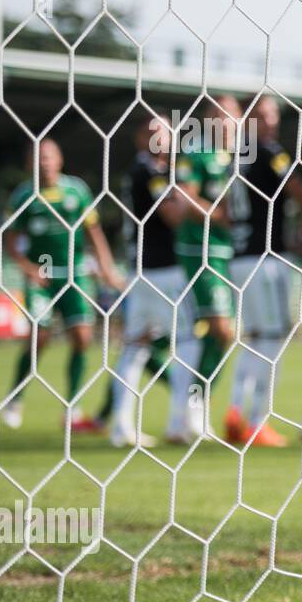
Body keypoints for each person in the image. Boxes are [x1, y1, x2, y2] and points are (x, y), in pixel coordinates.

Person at [0, 139, 123, 433]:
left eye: (49, 156)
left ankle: (72, 405)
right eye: (39, 157)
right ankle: (15, 398)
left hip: (75, 274)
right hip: (42, 276)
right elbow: (10, 239)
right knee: (39, 337)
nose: (45, 162)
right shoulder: (23, 197)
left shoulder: (76, 190)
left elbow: (93, 231)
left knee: (81, 337)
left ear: (60, 160)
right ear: (30, 163)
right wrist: (28, 268)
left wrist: (106, 269)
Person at [224, 94, 302, 447]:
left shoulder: (234, 155)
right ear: (247, 120)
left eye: (274, 114)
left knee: (257, 336)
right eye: (262, 114)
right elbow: (298, 191)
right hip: (265, 258)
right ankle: (257, 422)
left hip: (240, 256)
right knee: (273, 338)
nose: (271, 120)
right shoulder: (269, 150)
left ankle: (234, 409)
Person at [108, 115, 201, 447]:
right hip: (162, 271)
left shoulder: (140, 172)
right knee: (189, 341)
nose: (160, 138)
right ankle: (180, 421)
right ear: (140, 138)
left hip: (140, 270)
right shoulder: (153, 173)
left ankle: (120, 426)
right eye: (153, 132)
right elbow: (174, 216)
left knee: (136, 348)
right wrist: (189, 192)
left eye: (165, 132)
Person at [174, 95, 240, 426]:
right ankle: (194, 404)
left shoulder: (241, 157)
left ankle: (193, 405)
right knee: (221, 330)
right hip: (202, 251)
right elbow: (183, 197)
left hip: (234, 254)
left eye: (231, 116)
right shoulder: (196, 152)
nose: (226, 122)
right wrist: (219, 216)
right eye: (219, 116)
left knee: (225, 334)